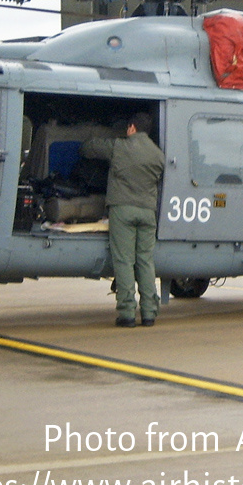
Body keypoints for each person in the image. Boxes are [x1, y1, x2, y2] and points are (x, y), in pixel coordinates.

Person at [81, 112, 165, 327]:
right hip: (148, 212)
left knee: (124, 261)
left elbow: (90, 148)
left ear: (131, 128)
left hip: (123, 210)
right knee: (145, 261)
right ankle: (149, 313)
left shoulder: (119, 146)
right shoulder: (158, 155)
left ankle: (127, 313)